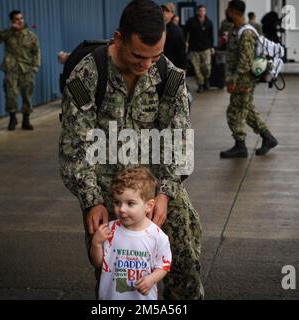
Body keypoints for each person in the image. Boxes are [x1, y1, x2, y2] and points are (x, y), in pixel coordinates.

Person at [59, 0, 204, 300]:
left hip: (159, 186)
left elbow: (179, 142)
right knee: (115, 278)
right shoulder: (87, 77)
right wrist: (91, 201)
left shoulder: (168, 76)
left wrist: (164, 192)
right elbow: (75, 148)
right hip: (109, 195)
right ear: (118, 38)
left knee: (184, 266)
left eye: (156, 56)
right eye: (139, 55)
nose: (147, 65)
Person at [91, 166, 172, 300]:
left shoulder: (157, 236)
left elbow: (164, 265)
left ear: (149, 206)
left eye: (130, 203)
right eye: (117, 202)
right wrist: (96, 244)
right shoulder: (109, 230)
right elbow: (99, 263)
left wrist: (151, 279)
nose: (121, 209)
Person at [220, 0, 278, 159]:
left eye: (228, 10)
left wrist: (233, 80)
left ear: (233, 12)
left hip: (243, 79)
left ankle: (240, 146)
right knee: (248, 111)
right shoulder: (236, 29)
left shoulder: (246, 33)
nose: (227, 13)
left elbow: (244, 62)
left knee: (234, 112)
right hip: (240, 78)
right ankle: (268, 138)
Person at [0, 10, 41, 131]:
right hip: (11, 69)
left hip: (26, 69)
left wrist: (35, 67)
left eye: (21, 18)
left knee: (27, 95)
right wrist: (10, 30)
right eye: (16, 19)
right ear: (12, 21)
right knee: (10, 95)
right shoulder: (8, 34)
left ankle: (26, 120)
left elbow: (36, 52)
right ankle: (12, 118)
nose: (20, 21)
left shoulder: (31, 35)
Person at [184, 4, 215, 93]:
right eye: (200, 11)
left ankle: (206, 79)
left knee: (206, 67)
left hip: (206, 48)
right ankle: (200, 84)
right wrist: (186, 41)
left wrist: (212, 47)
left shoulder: (209, 22)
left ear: (205, 12)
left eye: (203, 11)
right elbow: (185, 32)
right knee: (196, 68)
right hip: (194, 48)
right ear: (197, 11)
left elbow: (211, 36)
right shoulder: (191, 21)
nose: (201, 12)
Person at [161, 3, 187, 70]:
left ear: (172, 14)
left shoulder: (176, 31)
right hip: (158, 65)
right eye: (162, 10)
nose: (163, 12)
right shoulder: (157, 27)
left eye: (167, 11)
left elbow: (182, 52)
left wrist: (183, 68)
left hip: (172, 66)